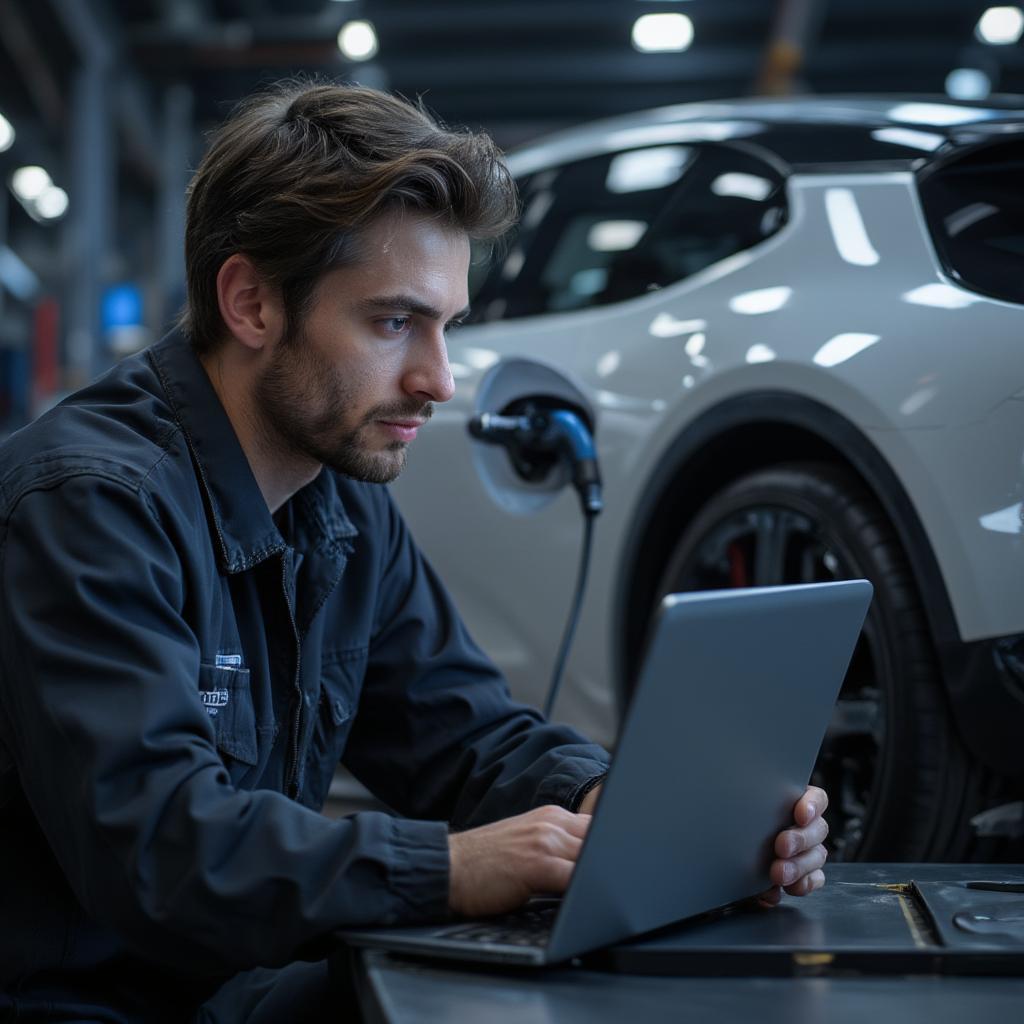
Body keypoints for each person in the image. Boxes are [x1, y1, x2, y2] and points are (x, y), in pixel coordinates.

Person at [0, 81, 829, 1021]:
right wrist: (454, 865)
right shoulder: (89, 504)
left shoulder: (338, 497)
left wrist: (626, 807)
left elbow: (465, 736)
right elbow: (160, 851)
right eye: (394, 322)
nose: (437, 380)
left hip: (223, 989)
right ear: (251, 303)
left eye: (448, 326)